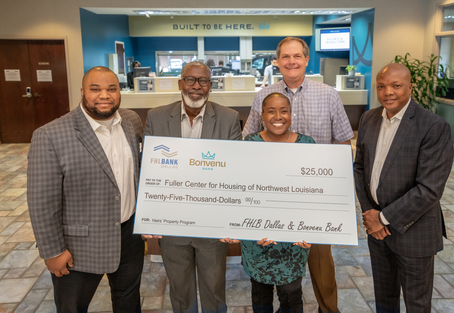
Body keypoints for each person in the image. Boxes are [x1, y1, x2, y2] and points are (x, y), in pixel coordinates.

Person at [243, 37, 353, 313]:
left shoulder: (328, 94)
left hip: (313, 200)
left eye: (297, 56)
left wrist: (337, 198)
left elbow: (343, 146)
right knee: (277, 267)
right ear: (277, 61)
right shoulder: (262, 95)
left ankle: (328, 310)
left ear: (306, 60)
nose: (291, 61)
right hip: (271, 202)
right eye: (285, 57)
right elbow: (246, 144)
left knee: (320, 266)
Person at [27, 66, 145, 312]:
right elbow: (42, 200)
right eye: (96, 89)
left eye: (111, 89)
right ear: (82, 92)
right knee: (72, 307)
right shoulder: (50, 135)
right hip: (78, 246)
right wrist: (52, 250)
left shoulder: (131, 121)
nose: (104, 95)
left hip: (128, 237)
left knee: (128, 301)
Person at [353, 63, 454, 313]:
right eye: (382, 86)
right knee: (384, 300)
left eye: (396, 86)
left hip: (414, 232)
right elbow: (359, 168)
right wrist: (370, 214)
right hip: (377, 232)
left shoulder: (433, 126)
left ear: (410, 87)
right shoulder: (368, 118)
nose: (388, 92)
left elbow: (429, 189)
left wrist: (383, 219)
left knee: (417, 304)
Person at [143, 61, 242, 313]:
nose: (196, 87)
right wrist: (149, 215)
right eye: (190, 80)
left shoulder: (229, 118)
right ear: (180, 83)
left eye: (203, 81)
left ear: (211, 85)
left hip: (211, 222)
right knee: (180, 289)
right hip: (172, 221)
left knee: (214, 288)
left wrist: (231, 220)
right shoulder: (156, 117)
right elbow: (148, 170)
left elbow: (234, 172)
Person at [223, 92, 312, 313]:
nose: (277, 116)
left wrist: (313, 229)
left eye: (283, 110)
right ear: (262, 114)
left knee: (291, 298)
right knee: (260, 296)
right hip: (257, 240)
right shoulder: (248, 144)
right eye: (271, 111)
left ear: (291, 114)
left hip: (293, 241)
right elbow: (239, 188)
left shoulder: (308, 145)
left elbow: (314, 195)